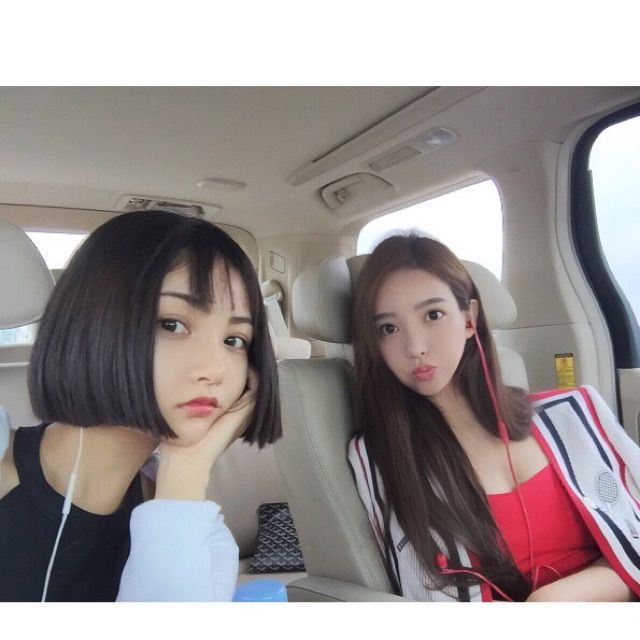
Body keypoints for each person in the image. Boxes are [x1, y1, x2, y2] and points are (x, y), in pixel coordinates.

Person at [0, 210, 281, 601]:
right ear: (90, 324)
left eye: (234, 340)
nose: (216, 369)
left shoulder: (190, 518)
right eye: (172, 324)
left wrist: (187, 465)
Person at [348, 233, 640, 602]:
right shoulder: (383, 460)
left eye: (433, 315)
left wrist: (554, 600)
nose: (415, 347)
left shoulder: (573, 414)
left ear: (470, 319)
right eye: (388, 328)